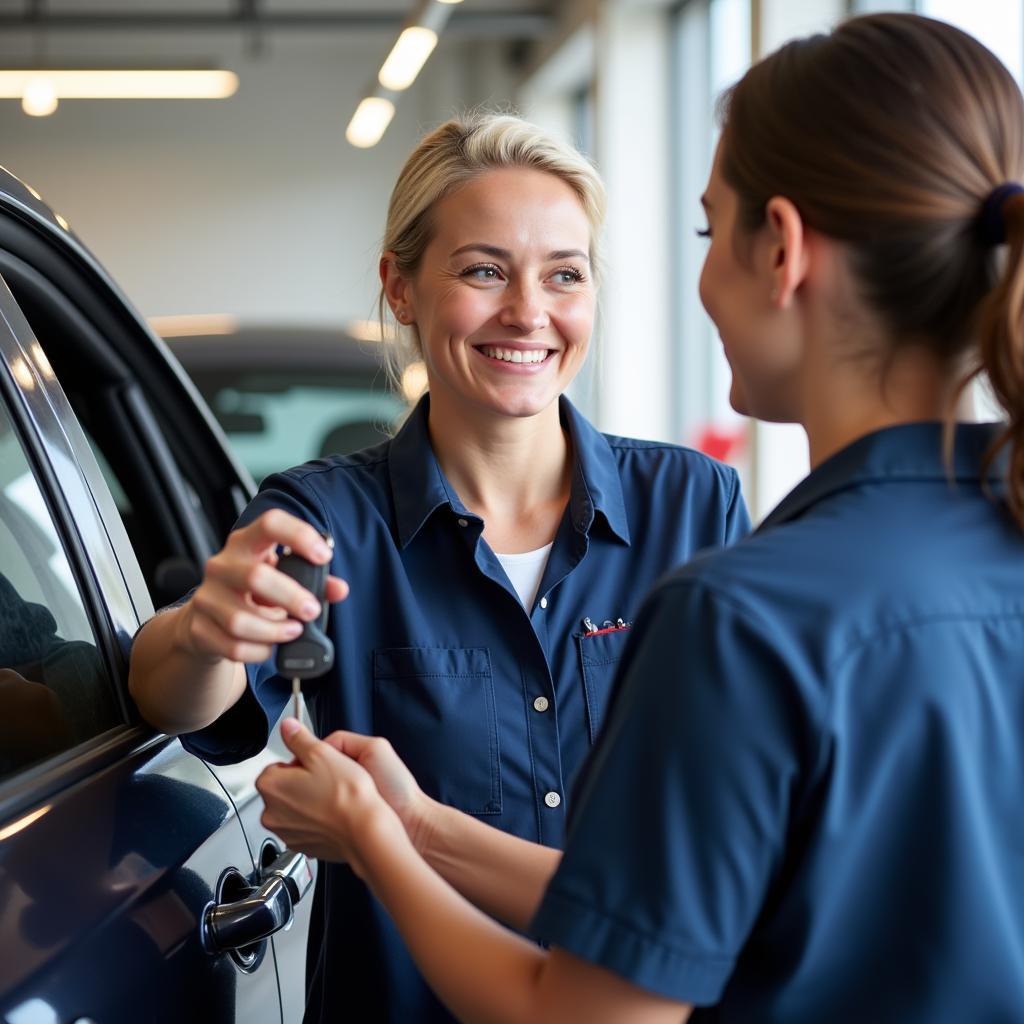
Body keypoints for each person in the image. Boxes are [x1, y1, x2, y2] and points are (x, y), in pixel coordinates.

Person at [255, 13, 1024, 1023]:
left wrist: (375, 838)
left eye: (710, 232)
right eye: (486, 269)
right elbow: (715, 917)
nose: (532, 308)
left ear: (781, 249)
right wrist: (423, 825)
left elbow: (587, 1013)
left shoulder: (744, 612)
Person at [128, 113, 750, 1023]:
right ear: (402, 286)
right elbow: (178, 699)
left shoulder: (695, 507)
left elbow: (739, 809)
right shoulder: (322, 517)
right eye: (483, 269)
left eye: (564, 275)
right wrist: (204, 627)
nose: (529, 312)